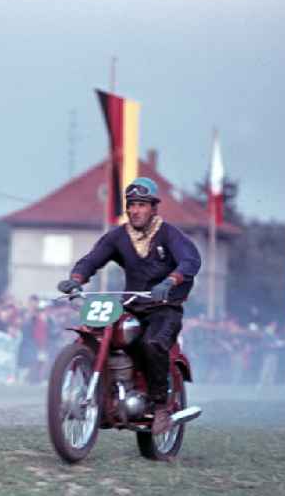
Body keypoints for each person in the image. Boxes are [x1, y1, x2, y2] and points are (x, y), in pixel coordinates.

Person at [57, 176, 202, 434]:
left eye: (142, 204)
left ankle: (160, 408)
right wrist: (76, 280)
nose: (135, 210)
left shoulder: (169, 234)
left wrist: (170, 281)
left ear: (153, 208)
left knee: (152, 343)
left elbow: (191, 260)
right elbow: (92, 259)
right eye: (131, 204)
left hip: (164, 307)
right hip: (132, 304)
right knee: (98, 336)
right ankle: (106, 393)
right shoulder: (118, 237)